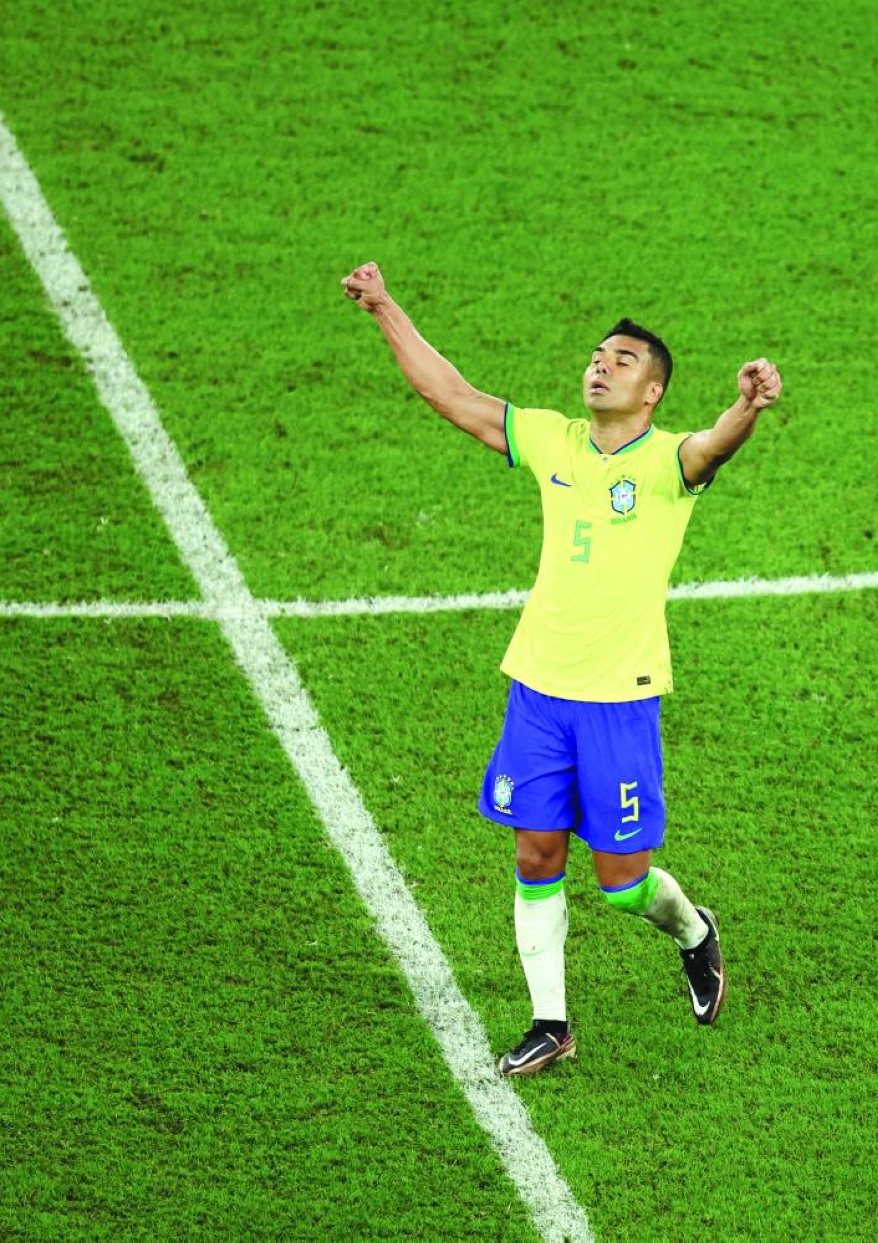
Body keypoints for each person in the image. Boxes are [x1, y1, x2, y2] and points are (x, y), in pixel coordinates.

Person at [341, 261, 782, 1076]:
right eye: (596, 355)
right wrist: (385, 307)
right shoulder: (553, 438)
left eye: (622, 360)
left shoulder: (668, 463)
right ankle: (552, 1023)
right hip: (539, 692)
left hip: (618, 703)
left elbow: (715, 442)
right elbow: (454, 396)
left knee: (623, 883)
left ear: (652, 392)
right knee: (535, 855)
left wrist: (748, 406)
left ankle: (694, 931)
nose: (600, 365)